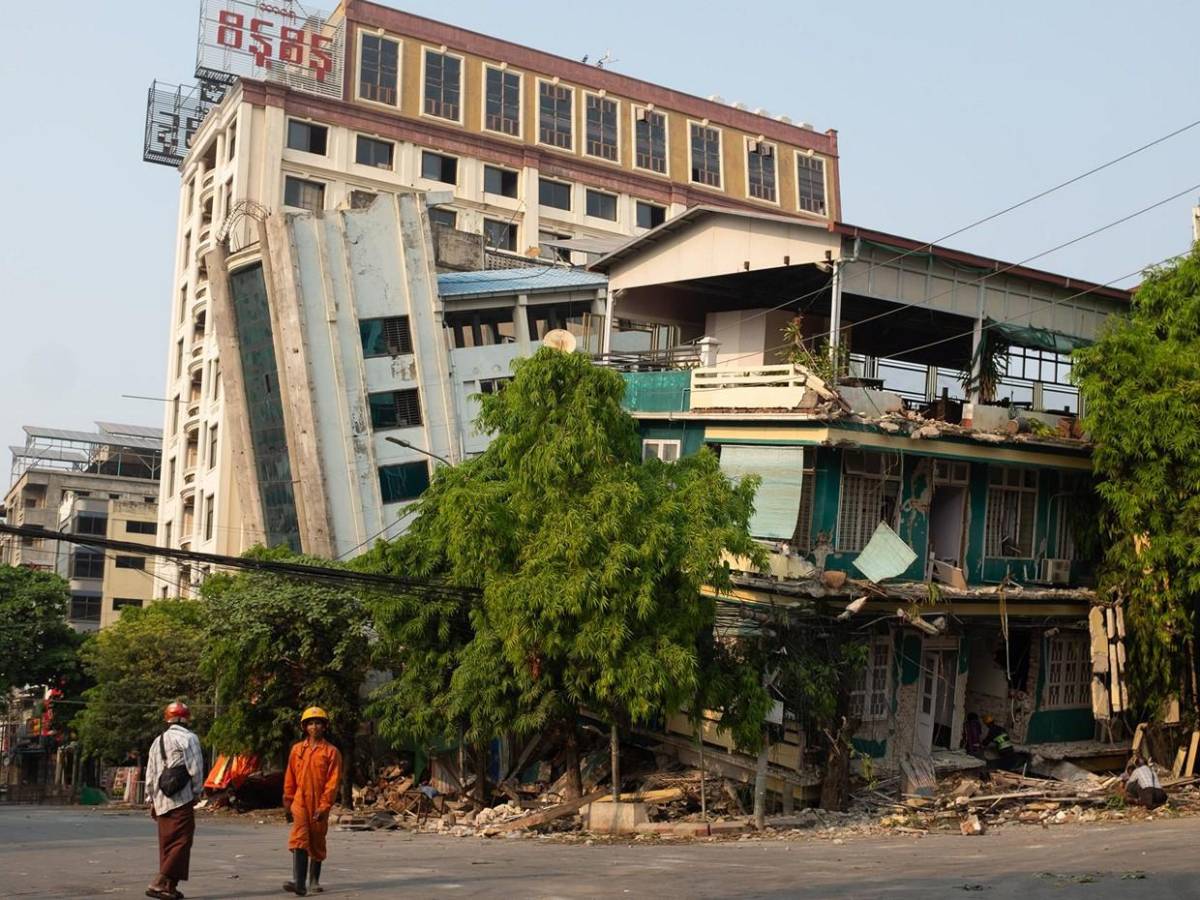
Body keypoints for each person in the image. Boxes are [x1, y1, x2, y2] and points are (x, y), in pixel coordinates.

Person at [144, 701, 205, 900]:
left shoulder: (157, 741)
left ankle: (170, 887)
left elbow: (151, 774)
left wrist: (151, 800)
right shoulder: (189, 738)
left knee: (167, 844)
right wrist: (197, 792)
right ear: (186, 719)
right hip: (182, 798)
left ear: (167, 719)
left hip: (161, 800)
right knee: (182, 841)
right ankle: (159, 882)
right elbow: (195, 768)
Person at [283, 707, 342, 896]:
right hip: (300, 800)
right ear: (304, 727)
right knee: (299, 839)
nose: (314, 726)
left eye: (318, 723)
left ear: (324, 726)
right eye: (310, 723)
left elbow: (332, 784)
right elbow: (290, 777)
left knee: (317, 841)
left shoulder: (332, 752)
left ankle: (314, 880)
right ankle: (299, 883)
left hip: (319, 801)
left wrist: (325, 806)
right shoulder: (297, 750)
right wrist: (288, 802)